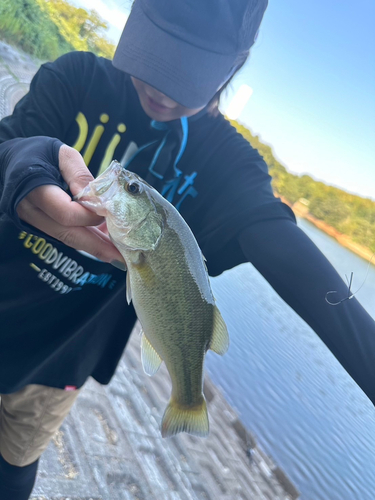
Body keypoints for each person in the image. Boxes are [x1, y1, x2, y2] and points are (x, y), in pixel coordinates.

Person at [0, 0, 374, 498]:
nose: (160, 89)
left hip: (59, 359)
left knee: (15, 463)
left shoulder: (227, 167)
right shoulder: (76, 76)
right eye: (155, 57)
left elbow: (293, 259)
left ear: (233, 67)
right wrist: (20, 160)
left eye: (187, 77)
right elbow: (8, 143)